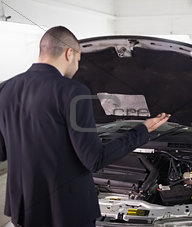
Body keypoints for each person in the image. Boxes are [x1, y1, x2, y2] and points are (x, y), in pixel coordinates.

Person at [0, 26, 170, 227]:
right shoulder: (72, 91)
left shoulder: (5, 88)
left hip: (24, 210)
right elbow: (94, 159)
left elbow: (3, 152)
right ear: (69, 53)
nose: (77, 67)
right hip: (65, 213)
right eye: (79, 61)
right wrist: (142, 130)